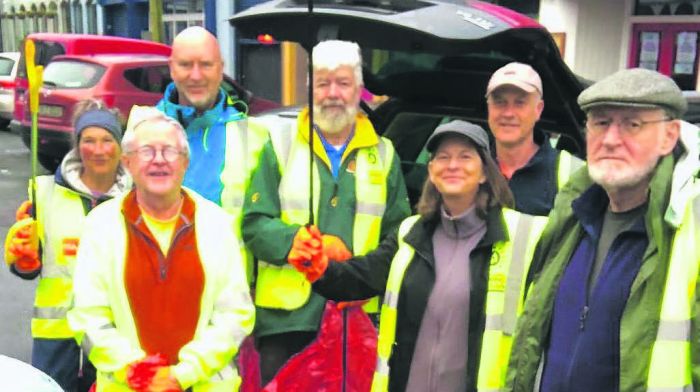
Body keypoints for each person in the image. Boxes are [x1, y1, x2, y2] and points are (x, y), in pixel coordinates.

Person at [289, 120, 548, 391]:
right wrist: (319, 267)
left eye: (465, 156)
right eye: (443, 157)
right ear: (432, 172)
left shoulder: (524, 234)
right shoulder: (410, 233)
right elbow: (362, 277)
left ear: (485, 172)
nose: (452, 165)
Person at [506, 68, 700, 391]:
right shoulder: (572, 214)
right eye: (601, 122)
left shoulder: (689, 228)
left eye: (632, 124)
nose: (611, 139)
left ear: (669, 136)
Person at [241, 39, 411, 385]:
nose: (332, 93)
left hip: (358, 319)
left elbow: (401, 236)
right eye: (323, 83)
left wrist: (363, 279)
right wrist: (302, 243)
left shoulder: (385, 154)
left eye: (343, 83)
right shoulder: (280, 144)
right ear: (309, 89)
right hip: (288, 322)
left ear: (359, 90)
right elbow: (254, 223)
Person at [67, 109, 254, 391]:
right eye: (147, 151)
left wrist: (182, 375)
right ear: (127, 162)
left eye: (169, 151)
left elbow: (235, 314)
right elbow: (87, 315)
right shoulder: (100, 225)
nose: (159, 160)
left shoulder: (217, 223)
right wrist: (137, 371)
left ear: (185, 162)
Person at [4, 100, 130, 392]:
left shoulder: (138, 199)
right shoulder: (44, 193)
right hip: (56, 336)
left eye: (107, 140)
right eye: (89, 140)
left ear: (120, 145)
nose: (98, 150)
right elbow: (27, 265)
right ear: (77, 144)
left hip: (116, 335)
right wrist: (22, 260)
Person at [156, 26, 269, 283]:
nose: (196, 75)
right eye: (186, 65)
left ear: (221, 68)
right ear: (172, 68)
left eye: (206, 65)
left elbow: (262, 225)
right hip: (156, 293)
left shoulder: (253, 135)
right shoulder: (143, 129)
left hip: (229, 296)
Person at [486, 62, 584, 216]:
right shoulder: (469, 167)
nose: (508, 113)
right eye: (499, 102)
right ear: (489, 108)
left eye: (520, 103)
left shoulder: (573, 174)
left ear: (538, 109)